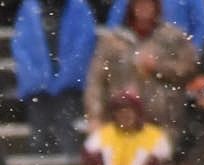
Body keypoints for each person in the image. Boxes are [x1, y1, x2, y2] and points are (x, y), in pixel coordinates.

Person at [84, 0, 197, 135]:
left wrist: (158, 67)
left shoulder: (172, 38)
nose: (144, 9)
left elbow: (189, 69)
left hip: (162, 123)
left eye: (148, 4)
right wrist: (95, 116)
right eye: (139, 4)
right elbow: (96, 81)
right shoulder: (113, 41)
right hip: (119, 121)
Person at [12, 0, 97, 162]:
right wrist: (39, 78)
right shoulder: (29, 7)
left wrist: (64, 78)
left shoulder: (78, 7)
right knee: (38, 137)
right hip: (37, 88)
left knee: (66, 134)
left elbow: (84, 45)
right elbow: (22, 47)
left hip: (68, 89)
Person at [74, 90, 171, 165]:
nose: (125, 116)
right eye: (120, 112)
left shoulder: (156, 138)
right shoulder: (99, 138)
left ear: (138, 113)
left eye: (129, 112)